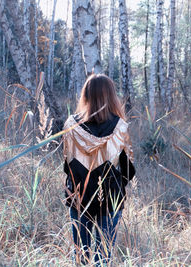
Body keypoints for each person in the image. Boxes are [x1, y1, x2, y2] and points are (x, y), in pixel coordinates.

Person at [62, 74, 135, 265]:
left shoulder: (71, 125)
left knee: (80, 255)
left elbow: (67, 166)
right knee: (103, 256)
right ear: (111, 96)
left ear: (85, 95)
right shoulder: (120, 127)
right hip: (110, 199)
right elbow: (128, 170)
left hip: (79, 197)